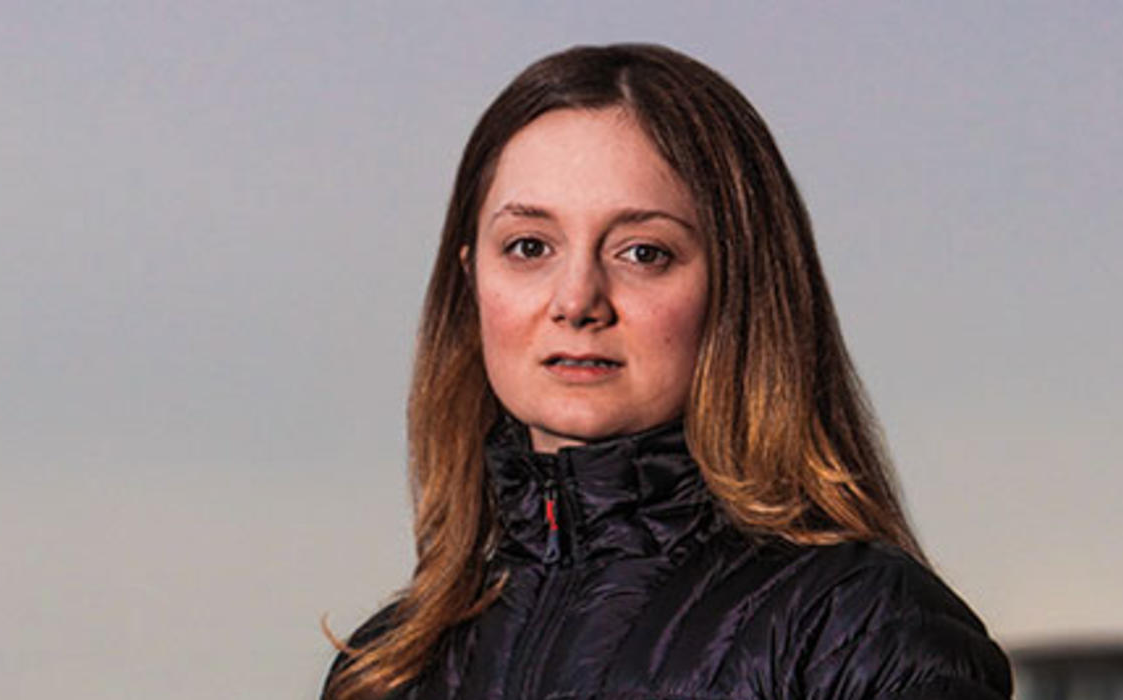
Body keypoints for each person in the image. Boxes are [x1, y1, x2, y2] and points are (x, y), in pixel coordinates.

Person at [322, 43, 1011, 700]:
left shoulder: (861, 631)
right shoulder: (392, 667)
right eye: (530, 246)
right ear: (471, 279)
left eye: (643, 252)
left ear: (740, 287)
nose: (576, 301)